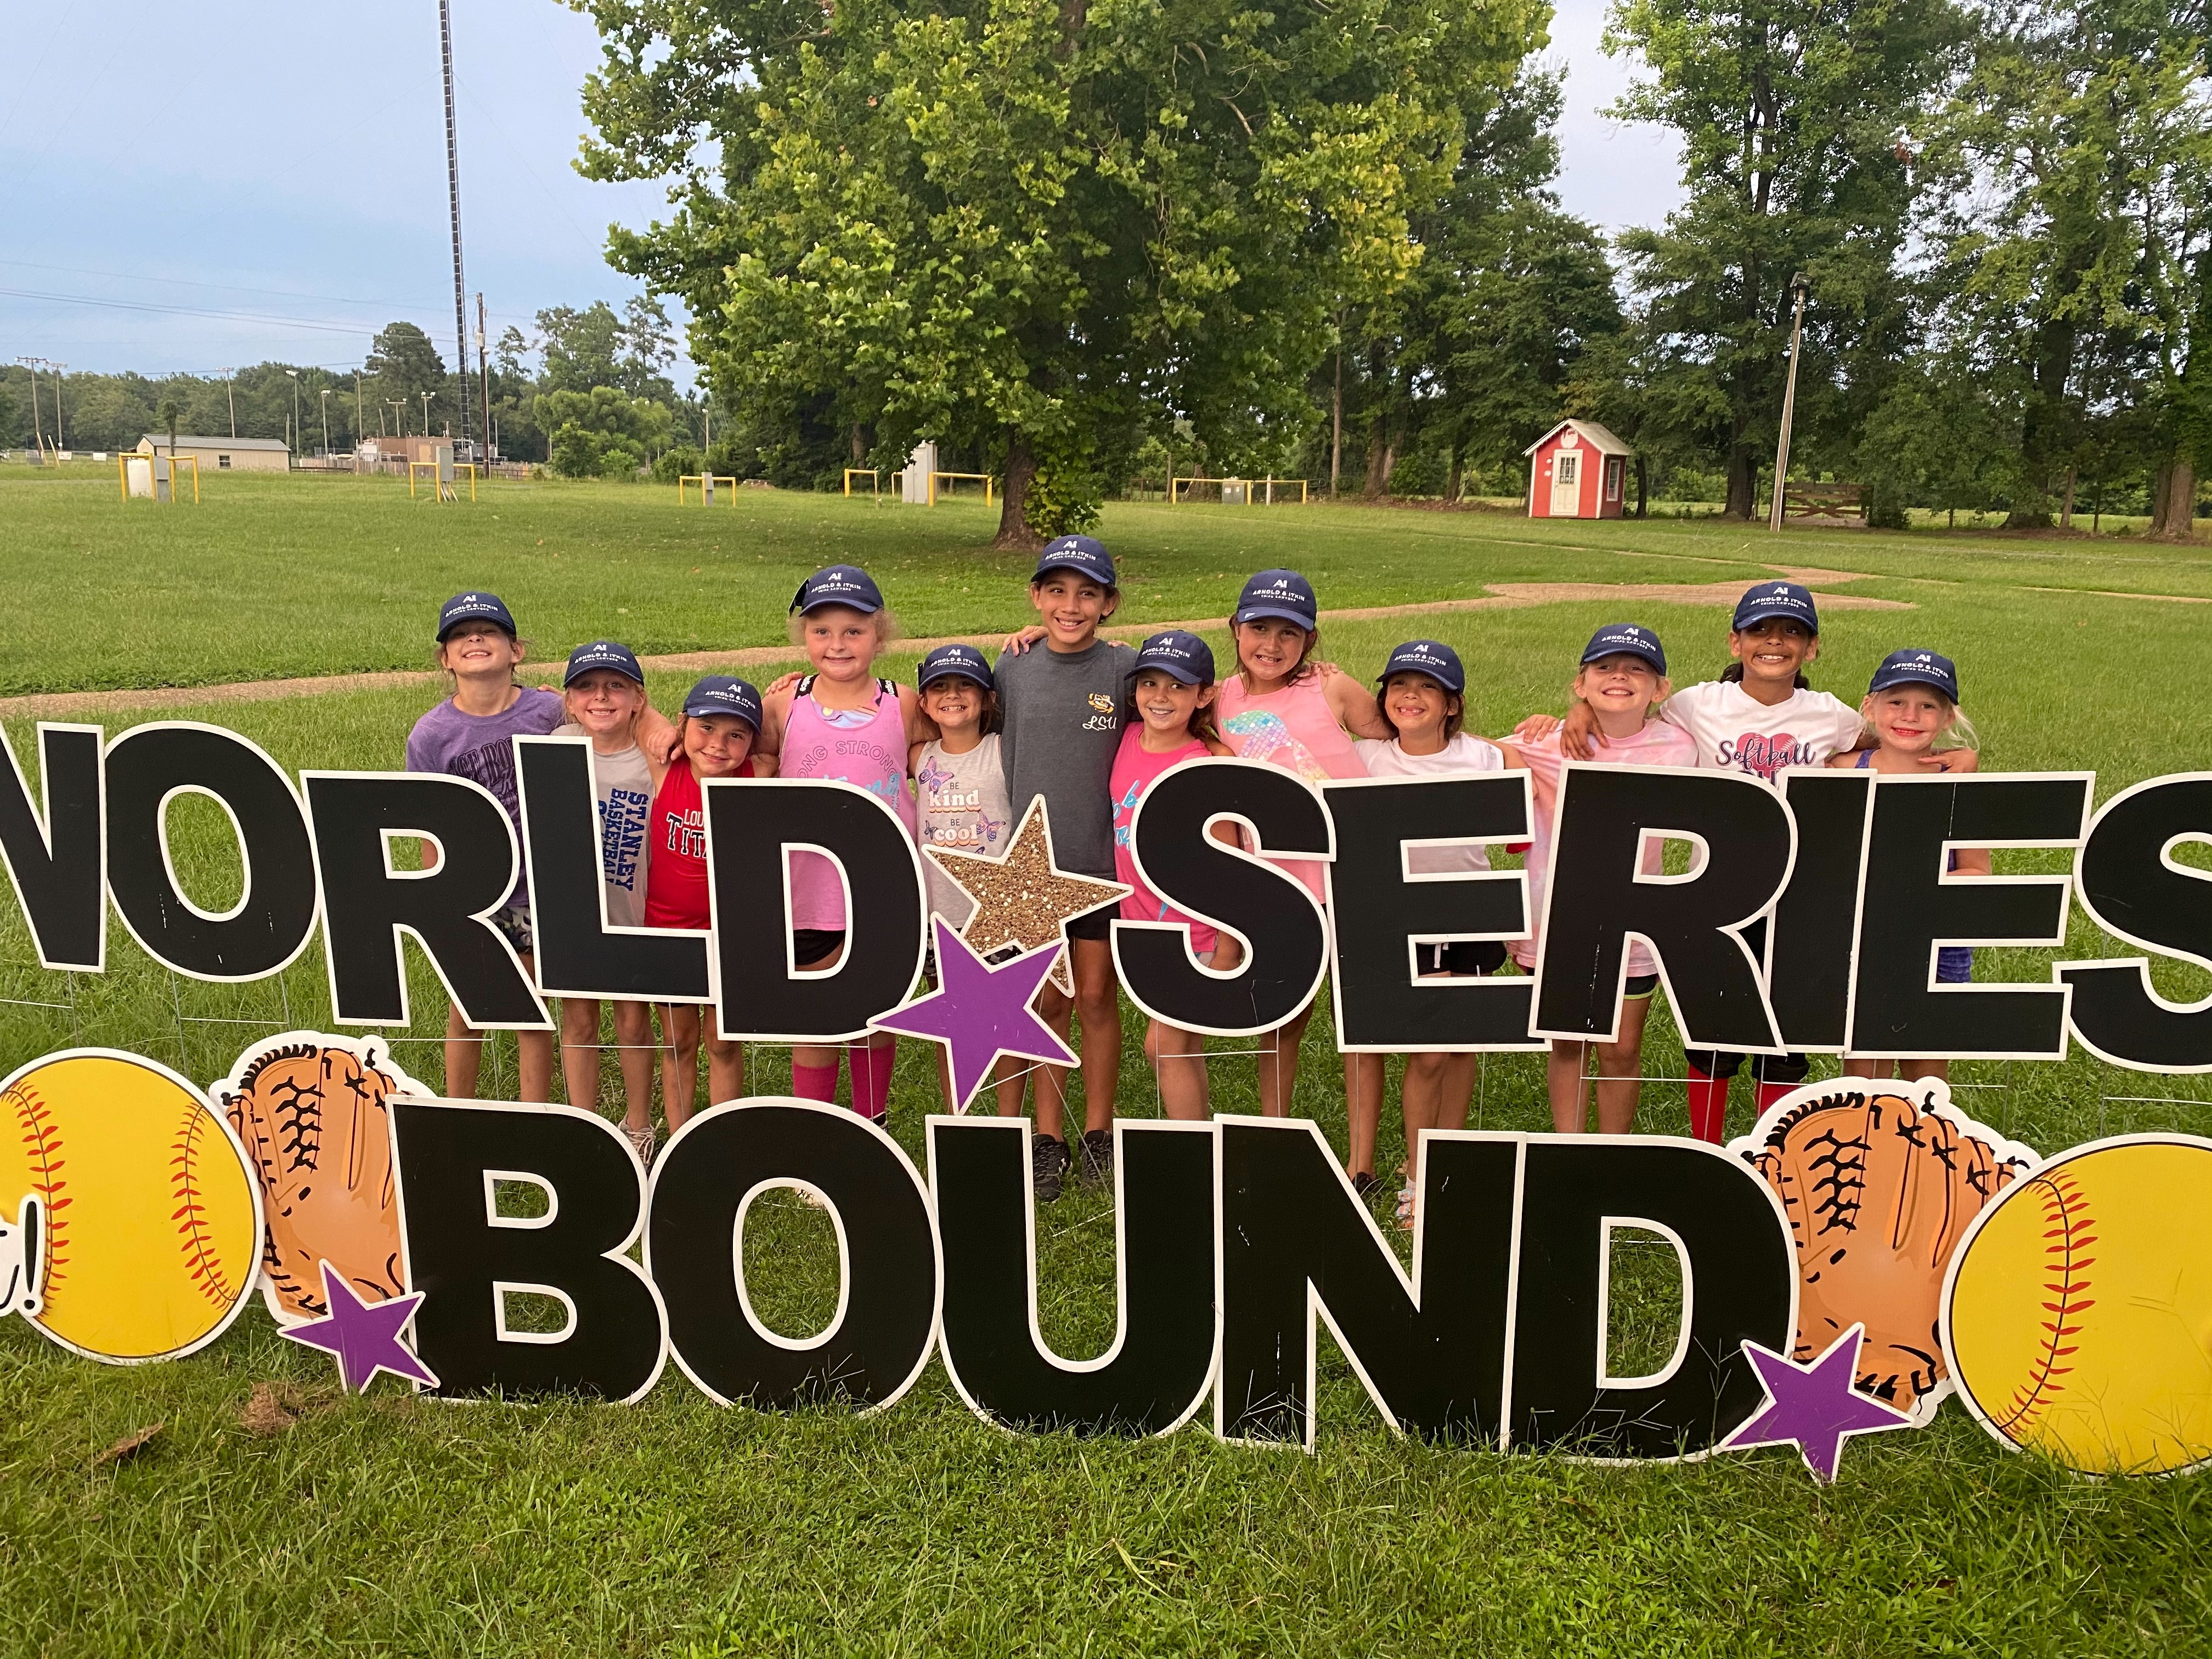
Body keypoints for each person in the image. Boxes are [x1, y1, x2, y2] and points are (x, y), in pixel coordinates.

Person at [1529, 582, 1864, 1141]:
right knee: (1712, 1027)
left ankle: (1771, 1148)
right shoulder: (1696, 706)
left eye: (1792, 632)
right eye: (1760, 630)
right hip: (1717, 892)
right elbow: (1630, 702)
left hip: (1798, 891)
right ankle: (1707, 1146)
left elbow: (1868, 748)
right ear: (1736, 642)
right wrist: (1579, 708)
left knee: (1785, 1031)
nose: (1774, 642)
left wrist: (1945, 757)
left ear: (1813, 648)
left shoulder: (1831, 714)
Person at [1214, 569, 1392, 1132]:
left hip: (1351, 876)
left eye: (1289, 633)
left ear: (1310, 641)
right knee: (1282, 1017)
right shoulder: (1218, 697)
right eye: (1259, 628)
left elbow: (1407, 733)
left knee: (1360, 1021)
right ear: (1235, 629)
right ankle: (1276, 1130)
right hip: (1277, 886)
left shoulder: (1331, 688)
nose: (1272, 644)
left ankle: (1361, 1159)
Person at [1502, 624, 1697, 1137]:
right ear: (1580, 684)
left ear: (1660, 690)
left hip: (1634, 928)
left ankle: (1612, 1152)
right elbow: (1467, 749)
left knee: (1622, 1048)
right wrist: (1544, 733)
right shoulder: (1545, 742)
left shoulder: (1681, 746)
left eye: (1637, 669)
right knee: (1567, 1042)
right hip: (1554, 921)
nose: (1620, 677)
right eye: (1605, 668)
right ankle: (1571, 1149)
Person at [1352, 640, 1521, 1222]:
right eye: (1399, 685)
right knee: (1426, 1053)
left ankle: (1443, 1164)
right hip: (1397, 920)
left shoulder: (1485, 758)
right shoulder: (1366, 757)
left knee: (1456, 1044)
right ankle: (1420, 1171)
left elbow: (1549, 764)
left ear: (1453, 704)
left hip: (1468, 916)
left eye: (1428, 688)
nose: (1411, 697)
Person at [755, 565, 929, 1124]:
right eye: (821, 630)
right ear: (803, 637)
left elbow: (951, 753)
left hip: (883, 888)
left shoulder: (904, 703)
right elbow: (745, 765)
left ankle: (870, 1123)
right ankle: (818, 1129)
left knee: (877, 1014)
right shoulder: (783, 704)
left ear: (881, 635)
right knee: (817, 1011)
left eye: (853, 630)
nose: (837, 644)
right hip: (808, 892)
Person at [992, 535, 1138, 1199]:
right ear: (1036, 597)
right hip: (1030, 871)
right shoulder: (1013, 666)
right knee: (1047, 1002)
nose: (1070, 605)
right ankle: (1046, 1137)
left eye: (1087, 593)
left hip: (1099, 867)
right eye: (1057, 591)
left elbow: (1189, 704)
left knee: (1098, 999)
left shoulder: (1124, 671)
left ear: (1109, 603)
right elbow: (947, 710)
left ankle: (1098, 1131)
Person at [404, 592, 562, 1102]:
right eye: (459, 635)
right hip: (472, 893)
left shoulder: (549, 711)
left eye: (489, 631)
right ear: (446, 659)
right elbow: (430, 822)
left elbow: (614, 721)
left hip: (536, 890)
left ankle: (535, 1117)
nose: (475, 639)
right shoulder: (432, 734)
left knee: (531, 1010)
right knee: (464, 1008)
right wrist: (440, 904)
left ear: (515, 651)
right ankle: (460, 1110)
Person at [1829, 648, 1984, 1085]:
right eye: (1896, 701)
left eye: (1928, 706)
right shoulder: (1840, 771)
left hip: (1937, 946)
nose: (1910, 716)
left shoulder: (1958, 783)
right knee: (1864, 1079)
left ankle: (1923, 1154)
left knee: (1927, 1083)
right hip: (1862, 944)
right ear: (1870, 706)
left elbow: (1977, 870)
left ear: (1948, 718)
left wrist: (1916, 887)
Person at [1109, 630, 1238, 1120]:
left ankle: (1194, 1151)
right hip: (1142, 927)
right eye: (1150, 683)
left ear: (1204, 695)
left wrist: (1228, 942)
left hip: (1195, 931)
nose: (1160, 697)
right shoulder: (1124, 739)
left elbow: (1229, 861)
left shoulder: (1204, 762)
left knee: (1162, 1045)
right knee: (1180, 1047)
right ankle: (1202, 1140)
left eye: (1178, 687)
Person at [645, 675, 774, 1137]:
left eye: (736, 734)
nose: (718, 745)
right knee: (678, 1041)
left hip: (727, 936)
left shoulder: (756, 774)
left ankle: (722, 1137)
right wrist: (666, 731)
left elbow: (782, 729)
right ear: (684, 726)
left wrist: (780, 692)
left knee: (723, 1043)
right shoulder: (665, 772)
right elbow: (639, 716)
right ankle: (680, 1138)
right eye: (706, 728)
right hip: (668, 933)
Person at [551, 641, 664, 1160]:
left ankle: (639, 1125)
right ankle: (583, 1123)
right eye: (587, 688)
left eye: (616, 686)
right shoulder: (556, 744)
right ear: (570, 701)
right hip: (573, 915)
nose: (601, 697)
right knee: (578, 1021)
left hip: (635, 911)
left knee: (633, 1021)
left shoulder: (654, 758)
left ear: (638, 699)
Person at [910, 643, 1011, 928]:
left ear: (988, 698)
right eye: (939, 686)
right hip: (938, 913)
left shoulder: (1002, 750)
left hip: (996, 912)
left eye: (966, 684)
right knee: (941, 975)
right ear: (924, 704)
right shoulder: (918, 756)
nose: (952, 695)